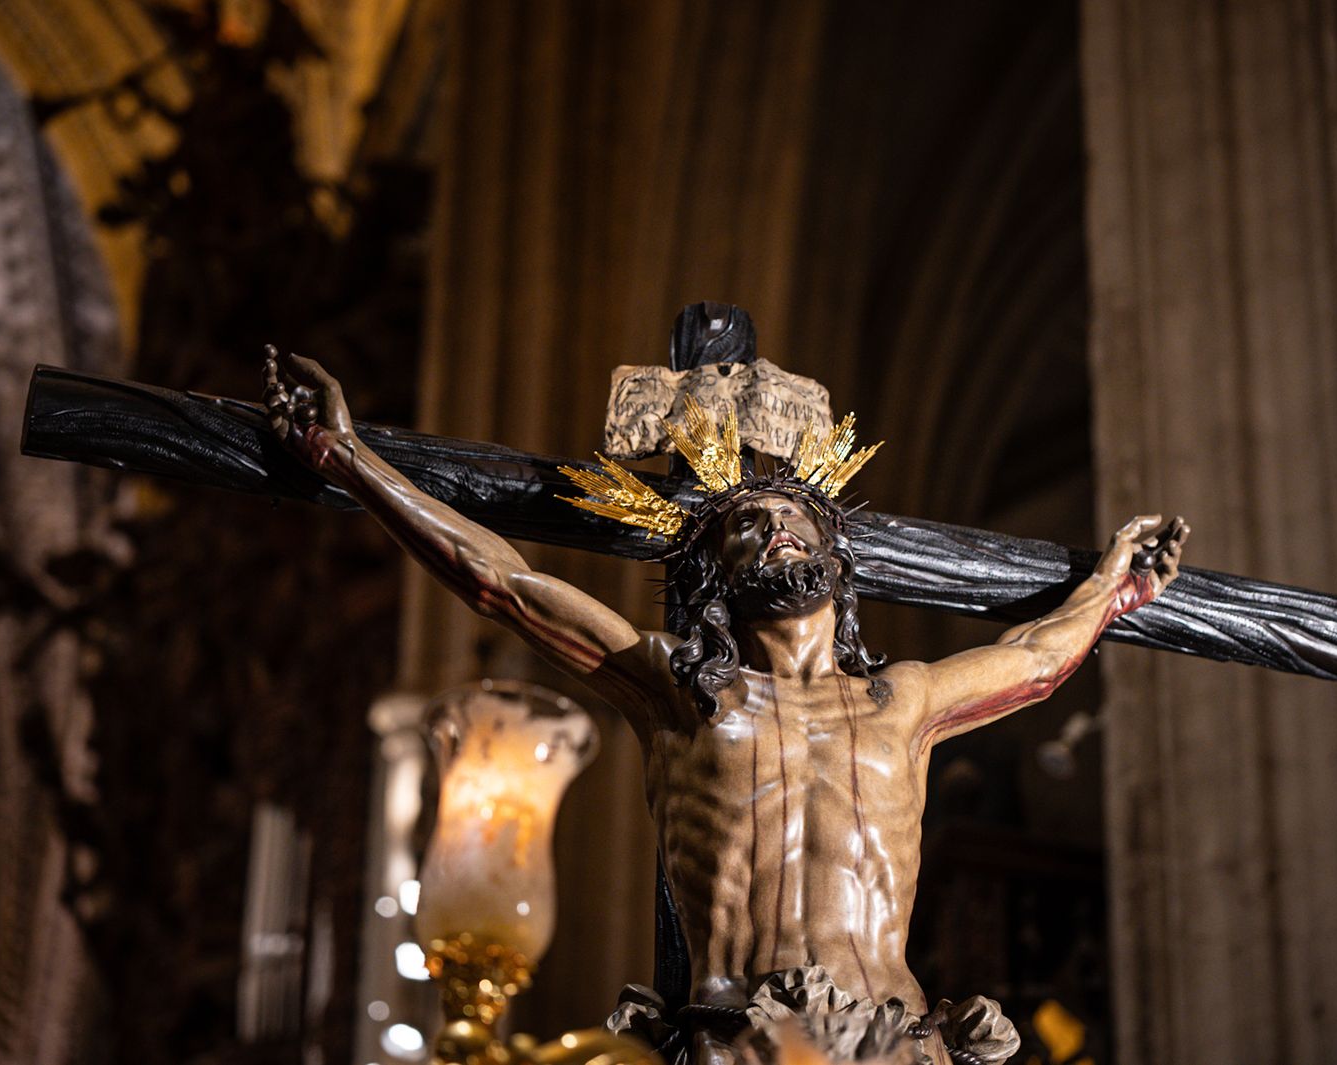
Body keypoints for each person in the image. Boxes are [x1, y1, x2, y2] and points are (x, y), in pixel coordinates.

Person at [262, 347, 1188, 1065]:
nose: (776, 525)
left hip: (896, 1039)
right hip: (736, 1035)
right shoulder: (676, 690)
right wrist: (349, 460)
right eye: (746, 522)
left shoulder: (900, 702)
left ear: (836, 554)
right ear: (718, 572)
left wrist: (1116, 584)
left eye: (794, 515)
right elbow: (503, 581)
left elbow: (1036, 658)